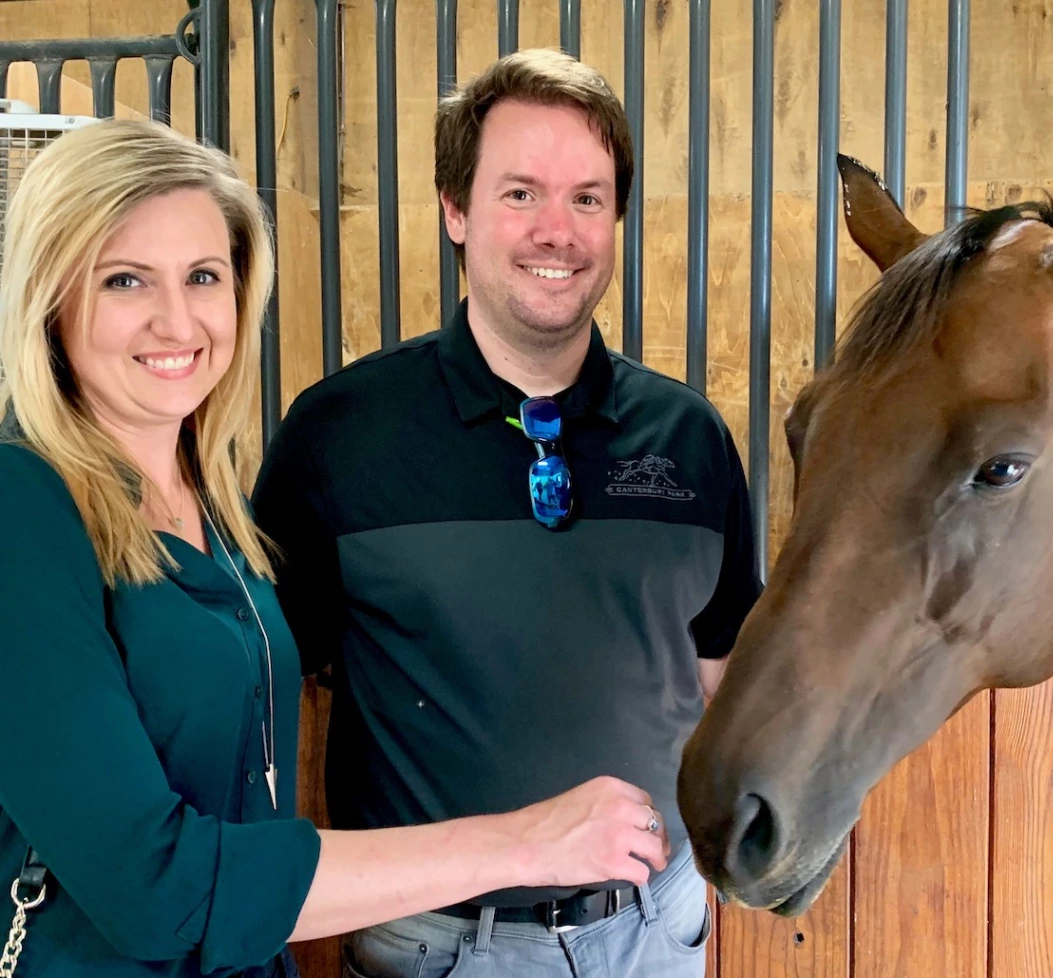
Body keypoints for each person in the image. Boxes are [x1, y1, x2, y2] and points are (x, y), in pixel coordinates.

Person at [0, 117, 671, 978]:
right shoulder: (24, 505)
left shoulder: (215, 502)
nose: (178, 321)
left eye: (204, 276)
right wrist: (525, 843)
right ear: (51, 297)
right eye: (125, 280)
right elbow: (156, 886)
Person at [252, 48, 761, 978]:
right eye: (520, 193)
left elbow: (723, 673)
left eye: (588, 198)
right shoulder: (338, 437)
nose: (556, 231)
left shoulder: (692, 439)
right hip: (438, 946)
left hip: (658, 928)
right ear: (456, 208)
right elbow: (272, 686)